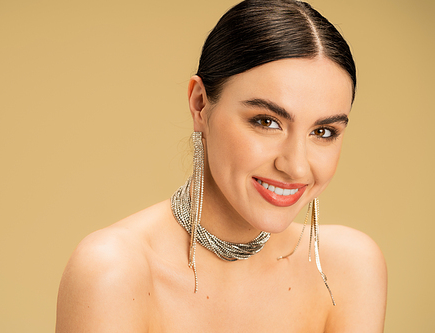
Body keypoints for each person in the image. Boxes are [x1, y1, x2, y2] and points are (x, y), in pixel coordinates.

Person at [55, 0, 387, 331]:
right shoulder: (114, 270)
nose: (296, 167)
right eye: (266, 121)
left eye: (323, 131)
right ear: (200, 104)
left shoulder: (350, 269)